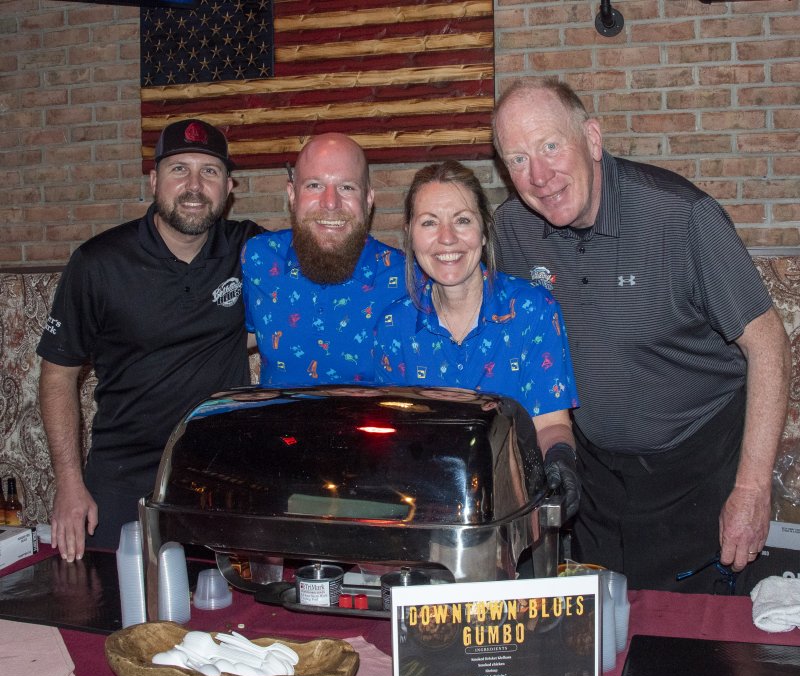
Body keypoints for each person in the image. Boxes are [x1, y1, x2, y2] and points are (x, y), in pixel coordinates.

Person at [492, 78, 791, 592]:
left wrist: (751, 488)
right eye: (518, 159)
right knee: (606, 627)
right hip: (595, 477)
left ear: (592, 139)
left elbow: (769, 344)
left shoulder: (681, 216)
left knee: (692, 633)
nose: (539, 176)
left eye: (550, 146)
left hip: (700, 468)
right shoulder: (512, 231)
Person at [37, 119, 263, 561]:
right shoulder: (98, 263)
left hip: (221, 472)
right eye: (179, 169)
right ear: (154, 181)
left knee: (228, 599)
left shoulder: (252, 250)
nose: (194, 186)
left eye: (210, 171)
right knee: (106, 597)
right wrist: (69, 484)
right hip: (123, 474)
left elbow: (315, 284)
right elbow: (57, 375)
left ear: (229, 187)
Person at [374, 160, 580, 518]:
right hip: (425, 514)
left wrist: (560, 461)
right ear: (410, 235)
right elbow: (392, 436)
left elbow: (551, 424)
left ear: (484, 232)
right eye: (429, 223)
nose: (447, 238)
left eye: (462, 220)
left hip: (517, 512)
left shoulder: (532, 311)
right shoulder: (394, 326)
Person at [241, 133, 404, 385]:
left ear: (368, 199)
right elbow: (228, 339)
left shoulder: (406, 277)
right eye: (314, 185)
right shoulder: (258, 258)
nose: (330, 203)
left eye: (347, 187)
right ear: (292, 194)